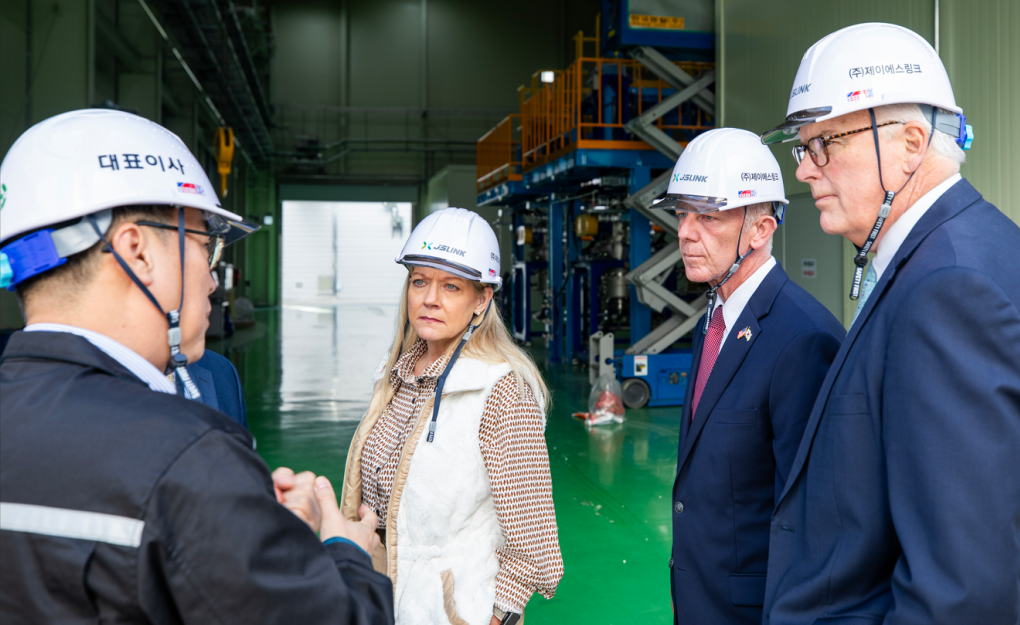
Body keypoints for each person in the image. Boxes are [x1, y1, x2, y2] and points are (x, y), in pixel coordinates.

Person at [0, 109, 393, 623]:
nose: (212, 281)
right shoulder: (189, 456)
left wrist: (246, 527)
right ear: (136, 252)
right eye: (205, 249)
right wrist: (349, 552)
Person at [759, 23, 1020, 624]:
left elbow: (959, 595)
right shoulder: (950, 255)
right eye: (803, 146)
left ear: (909, 143)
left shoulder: (949, 290)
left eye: (826, 142)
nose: (804, 169)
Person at [652, 128, 844, 624]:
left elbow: (810, 521)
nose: (686, 232)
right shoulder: (713, 321)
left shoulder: (802, 340)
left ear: (760, 230)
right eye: (682, 214)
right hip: (701, 598)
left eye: (709, 217)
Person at [340, 208, 563, 625]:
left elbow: (533, 540)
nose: (430, 299)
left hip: (449, 610)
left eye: (452, 287)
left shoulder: (500, 390)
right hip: (378, 596)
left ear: (482, 299)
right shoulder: (396, 376)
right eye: (420, 281)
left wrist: (496, 618)